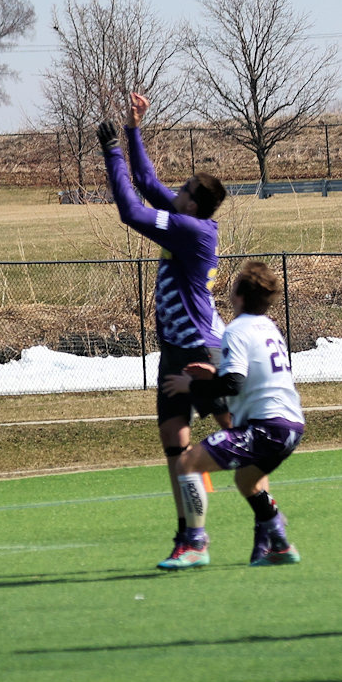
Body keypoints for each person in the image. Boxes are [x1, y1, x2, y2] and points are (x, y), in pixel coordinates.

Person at [97, 92, 229, 569]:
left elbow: (132, 211)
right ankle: (192, 538)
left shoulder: (191, 230)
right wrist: (133, 129)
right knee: (176, 446)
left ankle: (269, 521)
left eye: (185, 189)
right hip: (175, 350)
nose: (177, 191)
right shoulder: (183, 219)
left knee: (241, 437)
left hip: (202, 351)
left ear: (195, 204)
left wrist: (112, 152)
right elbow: (148, 183)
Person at [161, 260, 304, 568]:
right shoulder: (269, 327)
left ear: (238, 294)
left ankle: (195, 544)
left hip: (266, 427)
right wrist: (216, 374)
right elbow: (249, 377)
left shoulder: (237, 330)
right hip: (292, 426)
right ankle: (279, 543)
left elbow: (234, 384)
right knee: (247, 481)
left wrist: (191, 386)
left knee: (187, 464)